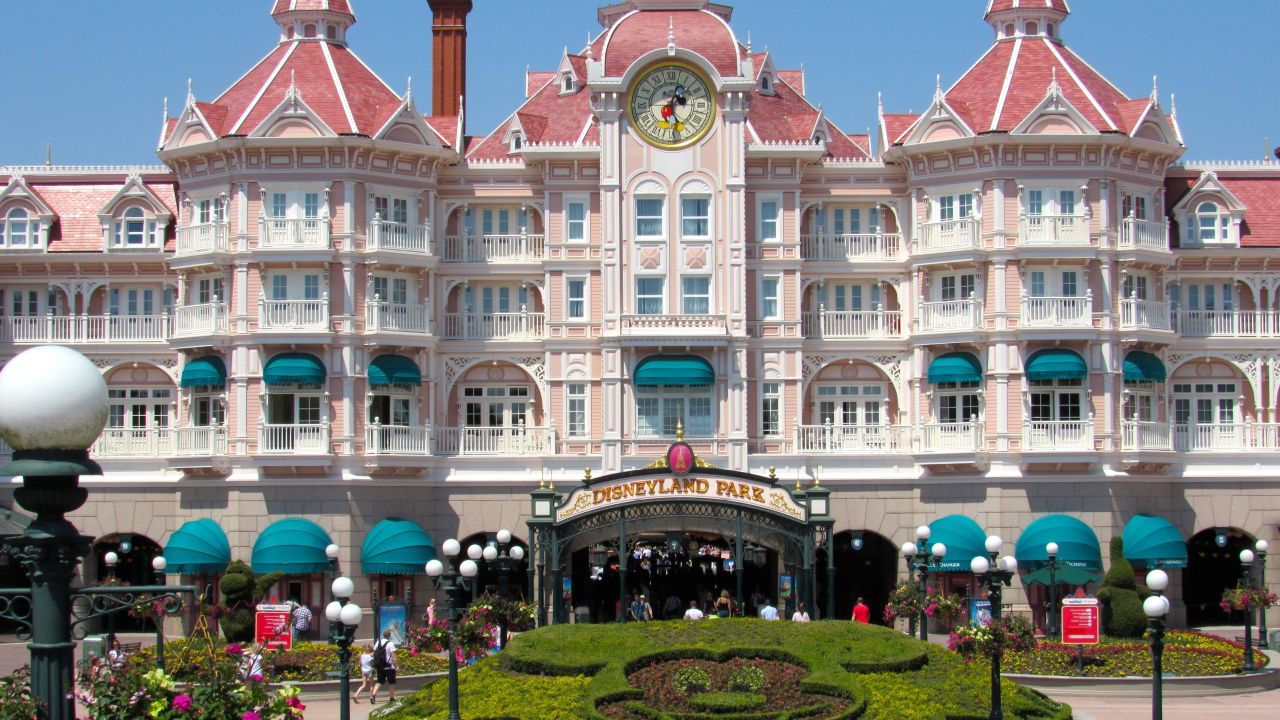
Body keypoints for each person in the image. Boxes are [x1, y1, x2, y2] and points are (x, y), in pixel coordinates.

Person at [370, 629, 397, 704]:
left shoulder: (378, 643)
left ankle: (373, 696)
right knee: (391, 682)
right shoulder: (390, 643)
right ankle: (391, 698)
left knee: (379, 681)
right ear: (389, 635)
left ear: (383, 635)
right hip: (389, 666)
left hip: (380, 666)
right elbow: (393, 656)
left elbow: (374, 653)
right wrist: (396, 666)